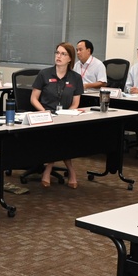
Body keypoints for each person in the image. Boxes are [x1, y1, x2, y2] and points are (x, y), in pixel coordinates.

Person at [31, 42, 83, 189]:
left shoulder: (76, 78)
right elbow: (33, 98)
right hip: (45, 117)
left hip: (65, 117)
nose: (58, 56)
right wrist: (43, 112)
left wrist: (67, 115)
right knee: (57, 136)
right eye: (57, 53)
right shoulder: (44, 74)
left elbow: (75, 102)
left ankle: (49, 167)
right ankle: (70, 170)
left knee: (62, 134)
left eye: (63, 54)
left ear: (70, 59)